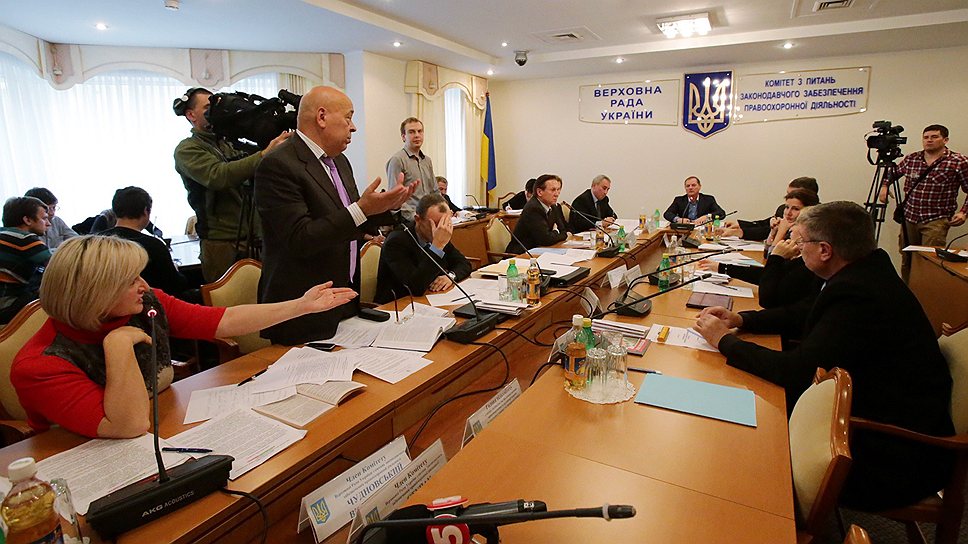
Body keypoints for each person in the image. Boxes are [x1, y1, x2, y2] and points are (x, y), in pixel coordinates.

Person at [694, 201, 955, 511]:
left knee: (743, 443)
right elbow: (805, 313)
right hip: (878, 414)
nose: (796, 248)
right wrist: (742, 320)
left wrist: (723, 341)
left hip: (892, 454)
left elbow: (796, 372)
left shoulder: (859, 295)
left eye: (801, 241)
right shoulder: (863, 271)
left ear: (825, 250)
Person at [10, 236, 357, 439]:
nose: (144, 286)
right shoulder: (40, 365)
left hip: (163, 426)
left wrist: (301, 306)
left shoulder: (146, 304)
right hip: (85, 458)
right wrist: (117, 345)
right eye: (130, 280)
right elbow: (128, 424)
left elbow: (222, 321)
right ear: (93, 293)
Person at [255, 86, 415, 345]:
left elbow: (349, 221)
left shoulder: (340, 161)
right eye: (348, 118)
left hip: (344, 300)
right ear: (322, 117)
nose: (354, 127)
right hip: (303, 312)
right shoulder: (278, 164)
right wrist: (362, 208)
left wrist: (388, 206)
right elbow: (300, 238)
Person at [173, 87, 291, 282]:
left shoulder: (230, 142)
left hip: (257, 238)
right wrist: (263, 155)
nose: (215, 111)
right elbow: (219, 176)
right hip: (222, 242)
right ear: (191, 115)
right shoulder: (187, 149)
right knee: (229, 298)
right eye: (207, 107)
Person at [700, 189, 821, 310]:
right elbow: (769, 269)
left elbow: (770, 276)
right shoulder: (792, 234)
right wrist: (721, 267)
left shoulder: (808, 257)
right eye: (787, 207)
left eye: (795, 209)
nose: (788, 213)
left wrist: (780, 235)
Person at [878, 124, 968, 282]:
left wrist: (963, 212)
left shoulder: (958, 161)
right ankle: (908, 290)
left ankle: (926, 293)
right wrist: (884, 186)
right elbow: (892, 173)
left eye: (934, 137)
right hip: (909, 218)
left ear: (945, 140)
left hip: (935, 220)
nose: (929, 140)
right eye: (926, 137)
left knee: (929, 261)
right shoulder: (912, 159)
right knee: (907, 258)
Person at [376, 194, 471, 304]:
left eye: (444, 224)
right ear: (418, 219)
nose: (439, 230)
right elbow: (415, 287)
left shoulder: (439, 234)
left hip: (431, 299)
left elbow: (464, 263)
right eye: (434, 224)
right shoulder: (396, 242)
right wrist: (437, 247)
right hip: (397, 304)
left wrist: (450, 277)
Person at [100, 187, 192, 300]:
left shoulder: (96, 243)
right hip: (148, 305)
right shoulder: (153, 246)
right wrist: (175, 270)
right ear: (145, 211)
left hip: (105, 304)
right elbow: (176, 286)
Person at [0, 197, 51, 324]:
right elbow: (59, 268)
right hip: (6, 307)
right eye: (44, 218)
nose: (48, 223)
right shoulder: (25, 239)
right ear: (27, 220)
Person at [722, 177, 819, 240]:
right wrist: (739, 227)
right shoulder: (783, 209)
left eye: (795, 194)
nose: (789, 197)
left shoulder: (817, 220)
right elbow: (765, 225)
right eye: (788, 194)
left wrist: (780, 232)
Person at [387, 117, 438, 223]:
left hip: (429, 218)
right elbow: (395, 196)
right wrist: (415, 218)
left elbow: (434, 191)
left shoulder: (427, 161)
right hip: (410, 221)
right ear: (403, 137)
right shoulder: (397, 160)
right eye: (411, 132)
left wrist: (443, 211)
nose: (417, 135)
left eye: (420, 131)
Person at [506, 174, 568, 254]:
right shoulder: (533, 208)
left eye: (558, 189)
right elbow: (546, 240)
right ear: (539, 192)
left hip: (542, 250)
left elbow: (563, 231)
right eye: (553, 190)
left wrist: (555, 234)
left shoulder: (553, 207)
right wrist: (556, 231)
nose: (557, 194)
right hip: (522, 253)